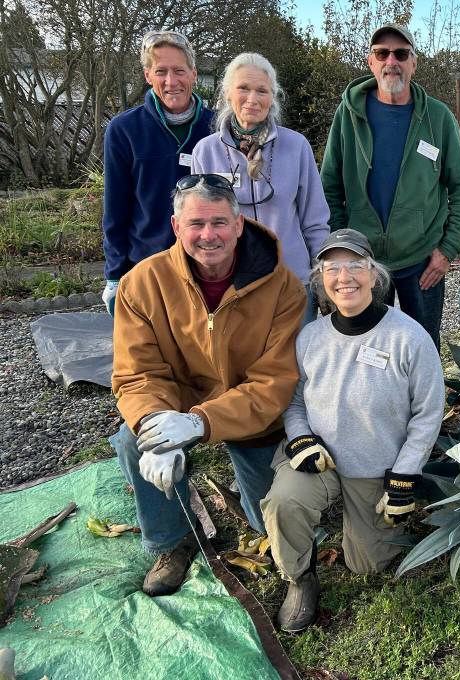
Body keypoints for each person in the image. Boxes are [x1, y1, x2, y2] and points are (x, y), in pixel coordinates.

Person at [109, 175, 306, 597]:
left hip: (249, 413)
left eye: (219, 222)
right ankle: (173, 540)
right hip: (175, 401)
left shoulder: (283, 287)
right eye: (196, 224)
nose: (208, 235)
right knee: (132, 440)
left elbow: (274, 382)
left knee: (264, 521)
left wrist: (200, 423)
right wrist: (155, 420)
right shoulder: (141, 284)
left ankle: (254, 510)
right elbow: (137, 372)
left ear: (238, 225)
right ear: (176, 228)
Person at [261, 228, 445, 632]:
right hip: (320, 458)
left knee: (367, 565)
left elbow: (429, 412)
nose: (344, 277)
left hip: (374, 467)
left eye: (355, 265)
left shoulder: (409, 337)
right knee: (284, 503)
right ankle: (299, 576)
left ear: (374, 275)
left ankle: (355, 527)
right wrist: (301, 438)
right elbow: (293, 402)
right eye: (332, 268)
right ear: (321, 280)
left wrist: (406, 473)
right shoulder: (310, 338)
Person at [320, 23, 460, 350]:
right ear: (371, 62)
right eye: (383, 53)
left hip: (423, 262)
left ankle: (423, 404)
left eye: (401, 53)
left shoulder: (438, 119)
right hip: (366, 261)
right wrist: (343, 248)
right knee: (368, 350)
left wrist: (447, 251)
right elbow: (330, 187)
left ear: (413, 63)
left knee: (423, 349)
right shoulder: (348, 116)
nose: (392, 60)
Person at [191, 52, 329, 320]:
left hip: (292, 284)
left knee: (294, 361)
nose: (252, 99)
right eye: (243, 88)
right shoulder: (205, 152)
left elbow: (315, 220)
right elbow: (197, 224)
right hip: (232, 287)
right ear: (228, 93)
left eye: (262, 91)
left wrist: (321, 273)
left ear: (272, 98)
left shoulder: (296, 146)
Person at [101, 30, 215, 314]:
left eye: (179, 71)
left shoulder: (216, 127)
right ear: (147, 75)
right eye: (161, 71)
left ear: (193, 74)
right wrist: (115, 275)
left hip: (207, 269)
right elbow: (115, 209)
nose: (171, 81)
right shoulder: (124, 130)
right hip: (147, 268)